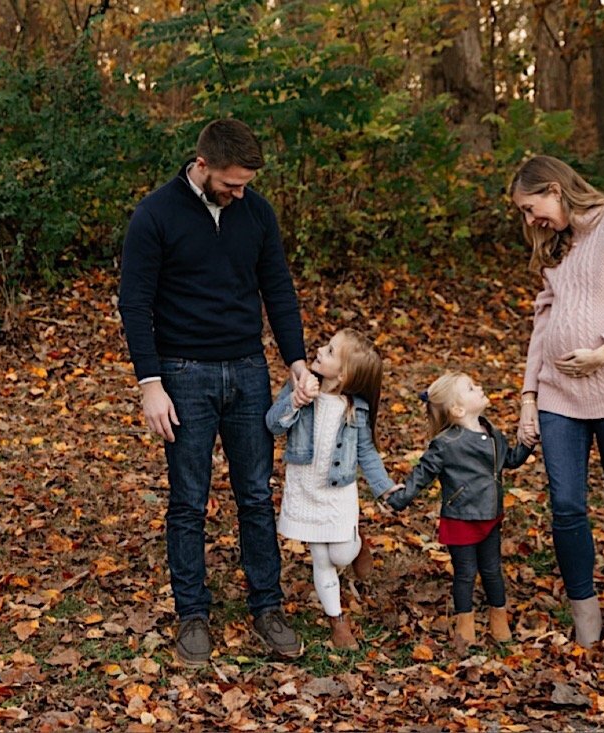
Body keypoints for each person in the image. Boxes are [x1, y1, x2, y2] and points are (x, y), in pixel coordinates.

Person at [118, 118, 315, 666]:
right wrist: (150, 384)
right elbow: (135, 303)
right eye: (231, 183)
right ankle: (192, 615)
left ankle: (267, 607)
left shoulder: (256, 212)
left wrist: (295, 360)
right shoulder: (155, 214)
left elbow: (278, 286)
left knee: (254, 494)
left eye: (246, 183)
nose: (239, 192)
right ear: (201, 165)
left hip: (248, 369)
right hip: (183, 374)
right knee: (188, 499)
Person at [509, 155, 604, 662]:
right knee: (568, 506)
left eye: (531, 208)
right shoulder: (556, 244)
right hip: (559, 396)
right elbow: (543, 320)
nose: (529, 221)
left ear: (555, 189)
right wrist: (529, 395)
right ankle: (584, 613)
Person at [265, 328, 396, 650]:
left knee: (340, 553)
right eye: (326, 346)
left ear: (345, 373)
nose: (320, 350)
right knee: (321, 558)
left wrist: (385, 488)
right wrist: (295, 402)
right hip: (306, 486)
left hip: (339, 492)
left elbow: (366, 452)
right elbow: (272, 425)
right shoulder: (301, 387)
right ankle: (337, 621)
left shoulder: (356, 407)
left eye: (331, 351)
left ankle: (357, 543)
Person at [385, 372, 533, 646]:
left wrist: (527, 444)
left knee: (491, 569)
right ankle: (465, 627)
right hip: (461, 518)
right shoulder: (446, 444)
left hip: (490, 515)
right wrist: (401, 497)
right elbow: (423, 473)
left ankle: (498, 619)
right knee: (465, 573)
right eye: (470, 387)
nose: (479, 387)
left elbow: (509, 461)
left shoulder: (491, 432)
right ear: (457, 409)